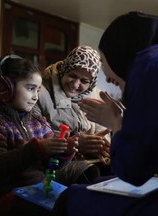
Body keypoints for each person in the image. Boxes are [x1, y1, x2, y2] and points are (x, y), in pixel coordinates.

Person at [52, 11, 158, 216]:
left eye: (104, 62)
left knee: (71, 199)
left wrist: (116, 122)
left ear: (119, 51)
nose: (107, 76)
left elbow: (133, 171)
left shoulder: (150, 66)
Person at [0, 55, 79, 216]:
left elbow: (52, 166)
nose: (36, 97)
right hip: (4, 197)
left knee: (76, 202)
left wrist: (64, 151)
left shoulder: (38, 122)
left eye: (38, 90)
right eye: (30, 88)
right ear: (5, 89)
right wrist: (36, 149)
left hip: (37, 191)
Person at [33, 46, 112, 184]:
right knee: (90, 174)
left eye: (84, 81)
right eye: (72, 76)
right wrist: (75, 144)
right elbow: (35, 139)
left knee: (116, 169)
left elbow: (102, 129)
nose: (76, 85)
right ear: (64, 69)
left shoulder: (94, 94)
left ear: (91, 83)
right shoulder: (39, 93)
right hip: (53, 165)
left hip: (88, 159)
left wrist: (100, 146)